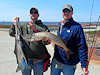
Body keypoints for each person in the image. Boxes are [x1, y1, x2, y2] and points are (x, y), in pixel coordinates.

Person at [9, 7, 51, 75]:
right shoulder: (23, 25)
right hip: (26, 60)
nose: (33, 14)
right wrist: (14, 24)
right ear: (29, 15)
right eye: (31, 12)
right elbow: (12, 33)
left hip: (39, 60)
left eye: (35, 12)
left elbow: (47, 42)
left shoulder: (44, 27)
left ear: (38, 15)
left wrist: (45, 40)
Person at [51, 4, 88, 75]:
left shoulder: (77, 27)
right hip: (57, 59)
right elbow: (60, 41)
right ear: (62, 13)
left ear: (72, 13)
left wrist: (84, 65)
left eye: (68, 11)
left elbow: (82, 47)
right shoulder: (60, 24)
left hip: (70, 63)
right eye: (64, 11)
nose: (66, 13)